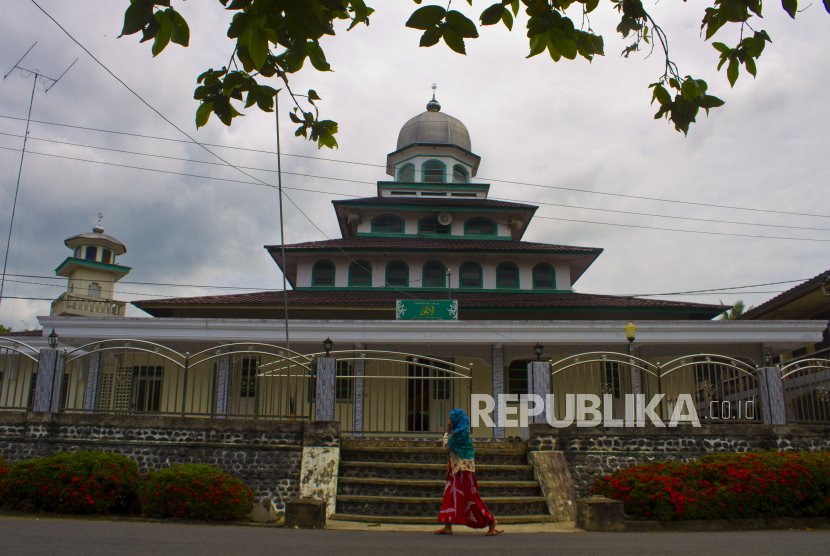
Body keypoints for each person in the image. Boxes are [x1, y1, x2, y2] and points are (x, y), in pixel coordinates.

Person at [435, 408, 503, 536]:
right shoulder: (460, 434)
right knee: (450, 497)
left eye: (450, 419)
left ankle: (491, 522)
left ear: (456, 420)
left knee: (471, 498)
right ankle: (447, 525)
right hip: (456, 470)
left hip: (463, 472)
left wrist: (445, 434)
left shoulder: (459, 435)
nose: (449, 421)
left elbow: (446, 447)